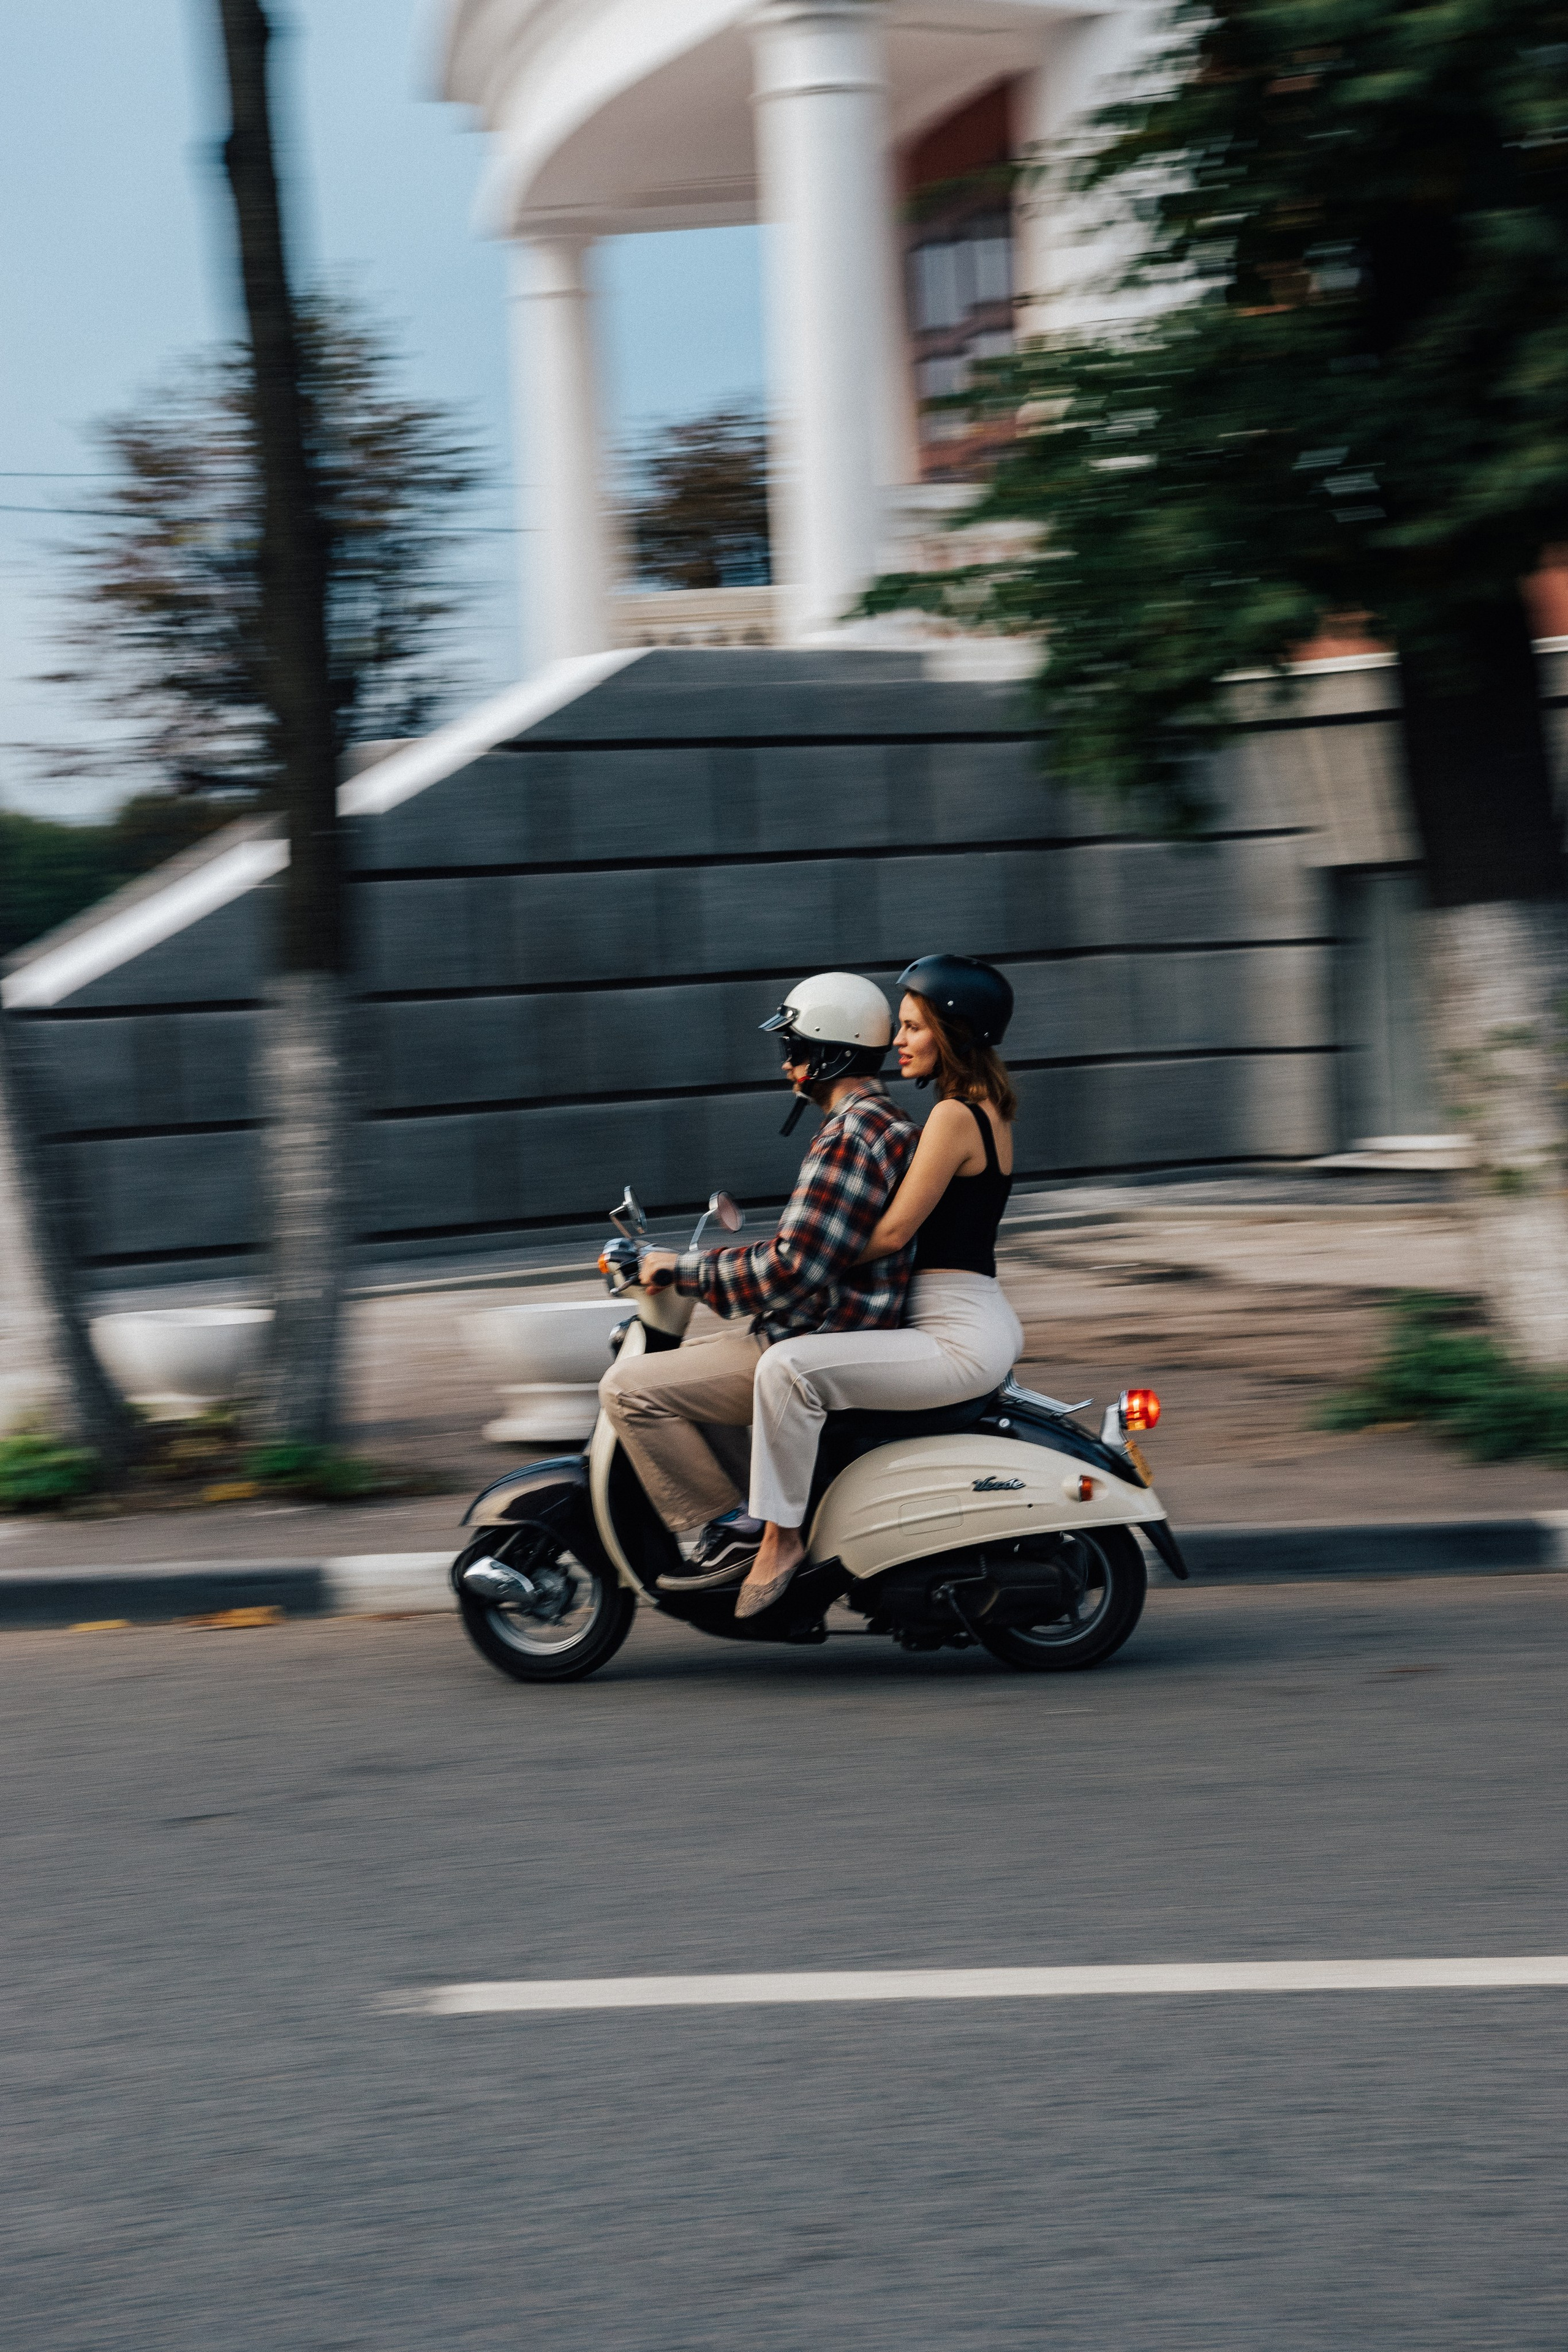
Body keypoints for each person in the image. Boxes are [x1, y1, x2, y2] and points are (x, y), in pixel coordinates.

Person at [599, 972, 919, 1587]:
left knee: (628, 1388)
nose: (787, 1066)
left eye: (795, 1050)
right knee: (689, 1376)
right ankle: (752, 1513)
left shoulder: (851, 1137)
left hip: (810, 1338)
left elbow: (789, 1270)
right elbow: (808, 1247)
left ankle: (732, 1532)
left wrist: (686, 1270)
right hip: (825, 1329)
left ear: (833, 1052)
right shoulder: (880, 1124)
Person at [734, 954, 1022, 1620]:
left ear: (953, 1033)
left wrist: (808, 1252)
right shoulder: (988, 1109)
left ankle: (779, 1540)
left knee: (786, 1370)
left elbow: (891, 1234)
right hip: (975, 1316)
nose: (897, 1041)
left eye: (914, 1027)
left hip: (954, 1334)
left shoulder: (953, 1117)